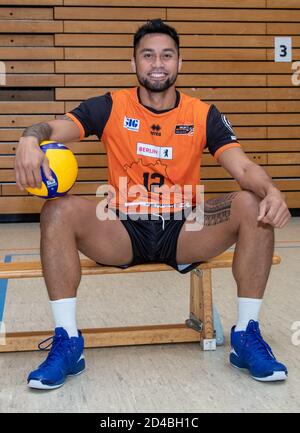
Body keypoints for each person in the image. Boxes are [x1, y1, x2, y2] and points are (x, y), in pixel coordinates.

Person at [15, 19, 291, 390]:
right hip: (122, 227)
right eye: (148, 55)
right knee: (56, 210)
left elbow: (241, 165)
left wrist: (272, 191)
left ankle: (246, 336)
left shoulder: (202, 114)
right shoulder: (110, 106)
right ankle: (68, 341)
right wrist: (30, 138)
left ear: (179, 62)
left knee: (253, 203)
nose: (157, 63)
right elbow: (54, 127)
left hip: (184, 227)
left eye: (166, 55)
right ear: (134, 63)